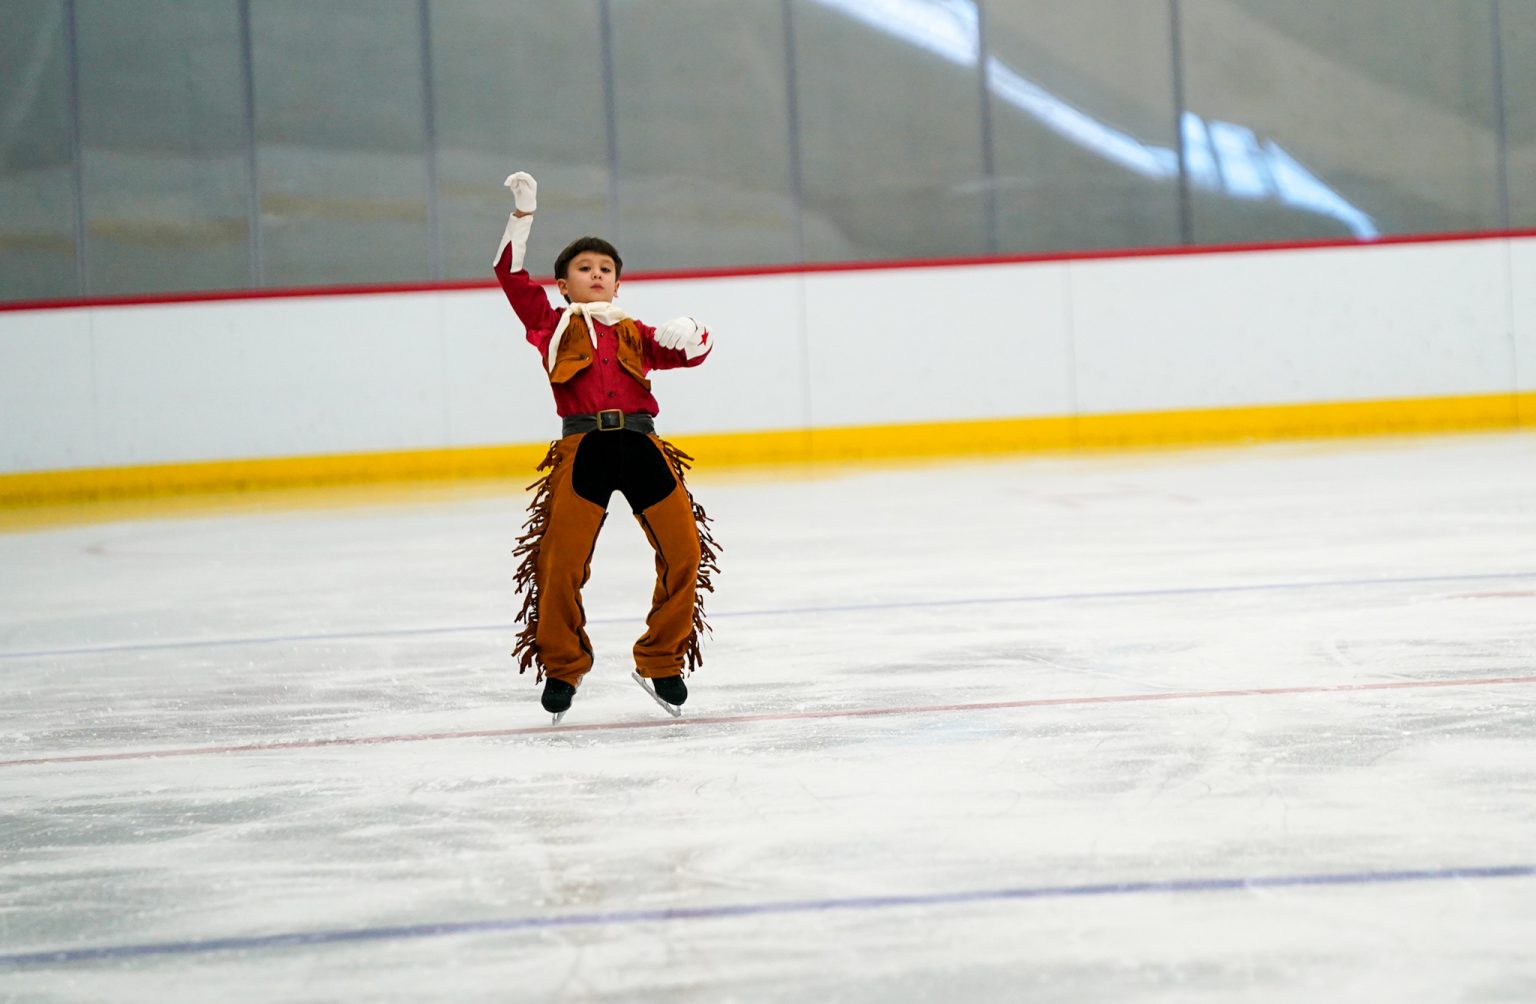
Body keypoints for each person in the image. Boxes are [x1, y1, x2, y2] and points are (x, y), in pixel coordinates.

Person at [493, 171, 720, 719]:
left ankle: (661, 660)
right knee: (559, 564)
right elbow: (508, 273)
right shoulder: (549, 325)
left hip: (643, 446)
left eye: (606, 270)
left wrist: (694, 333)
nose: (596, 275)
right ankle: (562, 668)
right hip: (584, 451)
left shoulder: (635, 331)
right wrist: (522, 215)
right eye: (584, 269)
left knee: (685, 552)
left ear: (617, 284)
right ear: (564, 284)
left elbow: (688, 355)